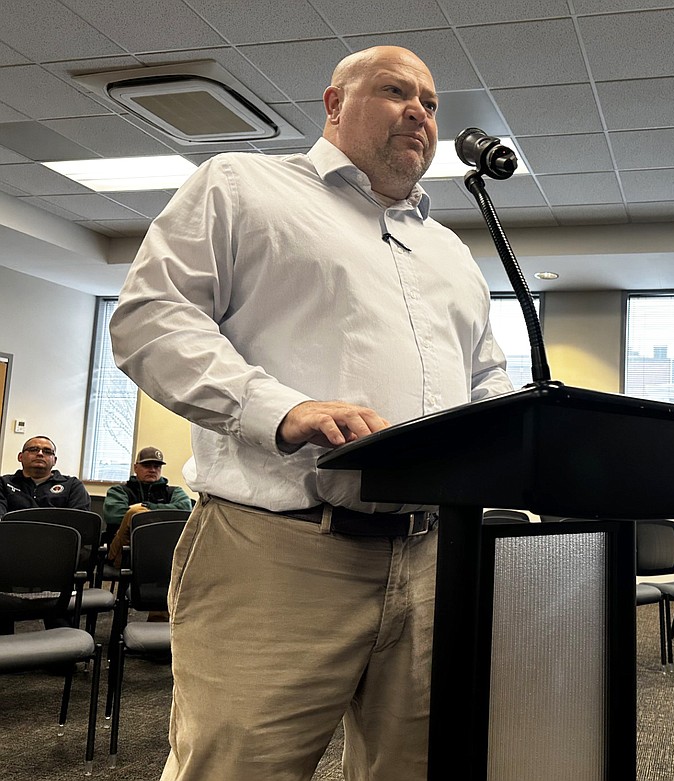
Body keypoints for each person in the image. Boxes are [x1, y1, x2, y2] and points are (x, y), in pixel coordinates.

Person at [109, 45, 512, 781]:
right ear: (333, 103)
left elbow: (486, 376)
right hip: (277, 549)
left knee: (422, 767)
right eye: (396, 90)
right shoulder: (242, 186)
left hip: (431, 557)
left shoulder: (452, 251)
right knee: (236, 770)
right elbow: (150, 321)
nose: (419, 111)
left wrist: (505, 437)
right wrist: (282, 408)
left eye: (430, 101)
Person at [102, 446, 192, 541]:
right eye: (147, 465)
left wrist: (145, 506)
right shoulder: (118, 491)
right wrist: (162, 517)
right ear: (135, 468)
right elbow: (113, 515)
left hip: (163, 543)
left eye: (157, 466)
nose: (152, 470)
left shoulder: (175, 492)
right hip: (127, 546)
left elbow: (184, 510)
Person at [0, 435, 91, 515]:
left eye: (47, 451)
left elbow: (79, 522)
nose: (40, 454)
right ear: (20, 457)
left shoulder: (72, 485)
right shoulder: (4, 483)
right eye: (33, 450)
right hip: (12, 533)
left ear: (54, 460)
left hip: (57, 534)